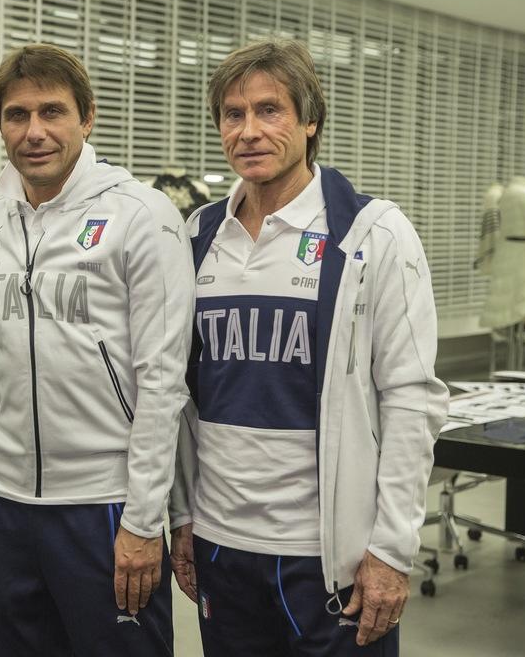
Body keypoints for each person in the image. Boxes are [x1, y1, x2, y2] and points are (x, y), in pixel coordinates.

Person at [168, 38, 448, 656]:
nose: (249, 131)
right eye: (233, 114)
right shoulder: (197, 236)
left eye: (269, 110)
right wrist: (183, 515)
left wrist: (391, 549)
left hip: (327, 557)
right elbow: (180, 395)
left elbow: (412, 399)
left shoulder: (373, 234)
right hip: (221, 543)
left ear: (310, 120)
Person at [0, 44, 195, 656]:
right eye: (17, 115)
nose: (34, 131)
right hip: (5, 504)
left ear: (87, 117)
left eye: (52, 112)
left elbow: (163, 380)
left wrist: (143, 519)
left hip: (103, 506)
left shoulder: (142, 215)